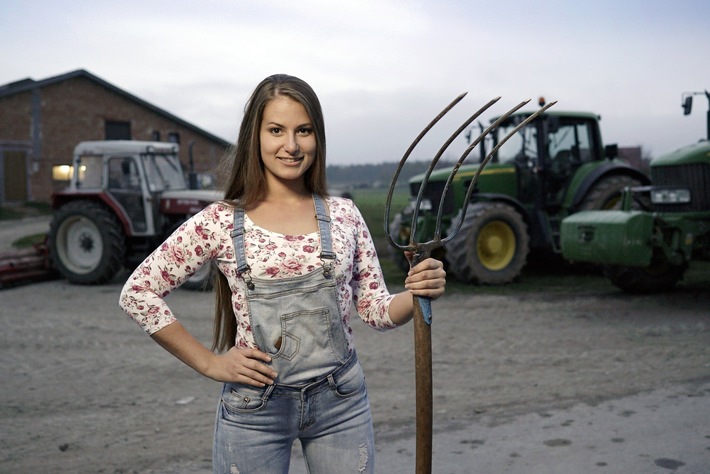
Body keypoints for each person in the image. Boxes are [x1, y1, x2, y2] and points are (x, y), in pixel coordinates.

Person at [119, 73, 446, 473]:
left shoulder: (342, 214)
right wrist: (210, 363)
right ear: (255, 136)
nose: (291, 145)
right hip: (255, 408)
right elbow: (138, 292)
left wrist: (415, 295)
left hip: (340, 401)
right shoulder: (220, 222)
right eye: (276, 130)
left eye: (303, 131)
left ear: (317, 138)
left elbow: (375, 309)